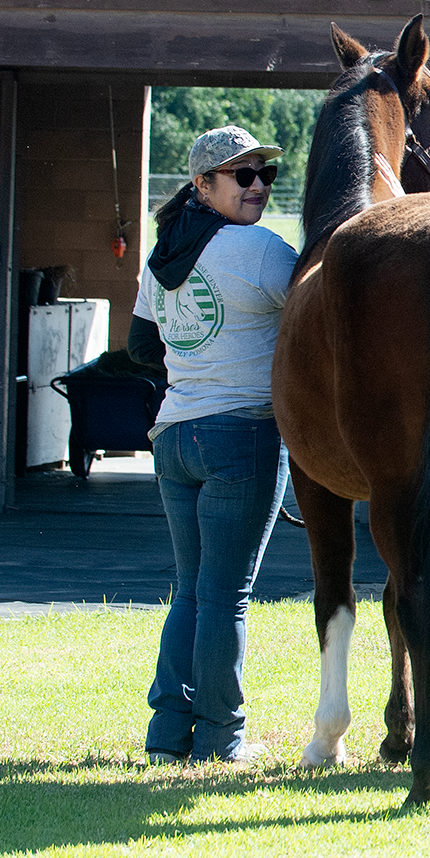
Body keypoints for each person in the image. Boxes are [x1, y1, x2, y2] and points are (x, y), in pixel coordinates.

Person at [132, 125, 298, 765]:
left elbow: (141, 347)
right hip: (243, 436)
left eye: (265, 174)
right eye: (242, 175)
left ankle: (168, 736)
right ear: (202, 186)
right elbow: (320, 315)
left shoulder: (162, 254)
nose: (257, 185)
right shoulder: (259, 251)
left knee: (193, 590)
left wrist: (196, 361)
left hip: (175, 437)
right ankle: (221, 738)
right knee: (223, 595)